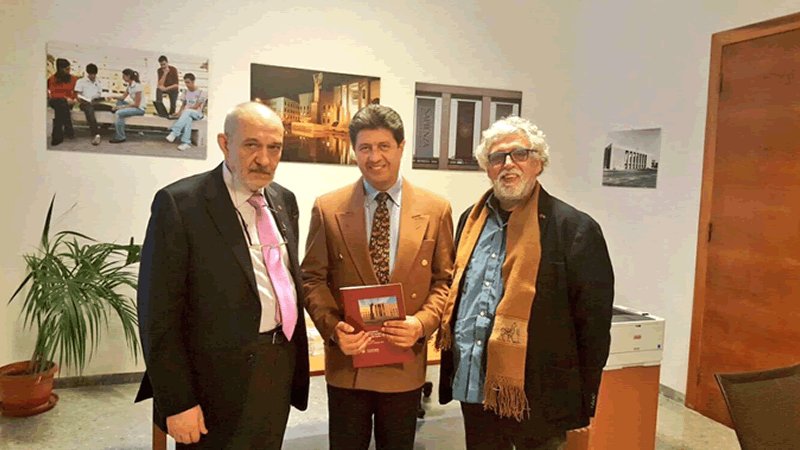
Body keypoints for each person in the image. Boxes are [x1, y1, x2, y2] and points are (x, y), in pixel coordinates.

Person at [135, 102, 310, 449]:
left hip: (277, 366)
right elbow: (158, 315)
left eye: (274, 147)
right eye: (251, 145)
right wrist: (178, 402)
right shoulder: (181, 204)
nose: (264, 159)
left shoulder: (283, 200)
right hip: (211, 382)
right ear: (225, 144)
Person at [436, 116, 615, 450]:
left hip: (540, 395)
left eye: (520, 154)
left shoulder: (575, 230)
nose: (508, 164)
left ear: (539, 163)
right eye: (497, 157)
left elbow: (593, 327)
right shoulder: (469, 222)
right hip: (475, 387)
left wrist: (584, 400)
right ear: (487, 168)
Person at [302, 104, 455, 450]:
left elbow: (444, 281)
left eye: (384, 146)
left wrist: (421, 324)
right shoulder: (328, 207)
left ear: (401, 147)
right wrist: (333, 329)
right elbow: (312, 278)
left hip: (404, 359)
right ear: (353, 151)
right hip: (349, 361)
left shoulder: (436, 209)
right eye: (365, 148)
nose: (374, 157)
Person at [165, 72, 207, 151]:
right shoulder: (185, 92)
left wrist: (185, 111)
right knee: (188, 119)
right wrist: (178, 113)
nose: (187, 84)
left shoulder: (202, 92)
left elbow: (196, 106)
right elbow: (183, 105)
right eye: (185, 82)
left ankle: (175, 132)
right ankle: (186, 143)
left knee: (187, 111)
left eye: (188, 82)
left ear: (193, 81)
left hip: (197, 113)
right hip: (187, 114)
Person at [74, 63, 112, 145]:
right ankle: (96, 134)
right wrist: (84, 100)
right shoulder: (81, 81)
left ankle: (103, 128)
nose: (93, 76)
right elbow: (78, 96)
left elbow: (99, 95)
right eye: (91, 74)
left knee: (112, 108)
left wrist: (103, 98)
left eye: (94, 74)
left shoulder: (98, 82)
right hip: (84, 103)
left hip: (95, 102)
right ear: (88, 73)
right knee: (90, 110)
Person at [109, 68, 146, 143]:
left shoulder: (138, 86)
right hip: (135, 106)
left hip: (140, 109)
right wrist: (113, 96)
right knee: (119, 102)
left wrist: (120, 107)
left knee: (119, 113)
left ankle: (120, 137)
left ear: (128, 76)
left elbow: (136, 104)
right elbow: (122, 98)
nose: (122, 77)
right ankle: (119, 124)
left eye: (123, 76)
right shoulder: (129, 86)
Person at [47, 58, 77, 146]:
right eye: (67, 69)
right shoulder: (52, 79)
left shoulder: (73, 79)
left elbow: (76, 92)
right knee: (61, 102)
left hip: (68, 103)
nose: (69, 71)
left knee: (61, 107)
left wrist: (74, 99)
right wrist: (65, 98)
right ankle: (68, 129)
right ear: (60, 69)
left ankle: (59, 135)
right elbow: (53, 94)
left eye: (69, 68)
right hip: (55, 101)